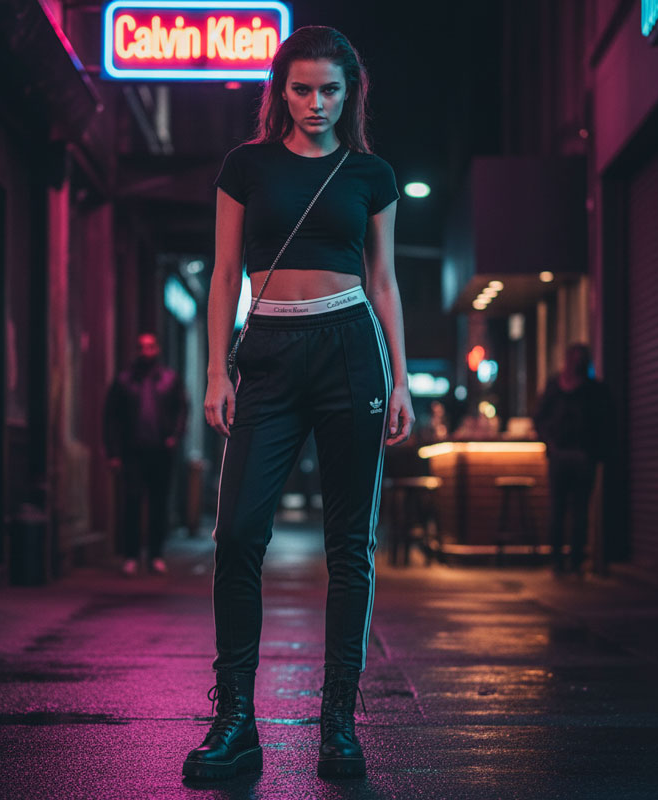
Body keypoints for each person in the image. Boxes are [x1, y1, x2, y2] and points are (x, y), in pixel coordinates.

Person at [182, 26, 414, 781]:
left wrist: (403, 378)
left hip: (352, 348)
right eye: (303, 88)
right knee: (239, 532)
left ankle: (339, 728)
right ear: (280, 90)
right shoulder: (244, 167)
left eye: (330, 90)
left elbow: (383, 282)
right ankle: (236, 722)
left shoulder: (370, 174)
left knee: (351, 546)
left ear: (351, 95)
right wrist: (217, 370)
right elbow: (223, 276)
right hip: (271, 353)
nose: (316, 104)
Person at [103, 333, 188, 576]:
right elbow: (111, 417)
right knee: (131, 503)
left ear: (157, 349)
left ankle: (156, 555)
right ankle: (130, 555)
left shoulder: (170, 380)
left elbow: (182, 408)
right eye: (142, 347)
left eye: (150, 346)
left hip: (161, 451)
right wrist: (113, 451)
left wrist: (174, 436)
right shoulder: (124, 381)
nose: (146, 351)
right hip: (133, 451)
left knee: (158, 505)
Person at [534, 343, 614, 576]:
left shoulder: (593, 390)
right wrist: (550, 443)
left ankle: (575, 560)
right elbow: (539, 418)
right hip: (561, 456)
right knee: (559, 510)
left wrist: (594, 452)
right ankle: (559, 560)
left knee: (579, 511)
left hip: (582, 456)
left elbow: (604, 424)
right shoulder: (556, 387)